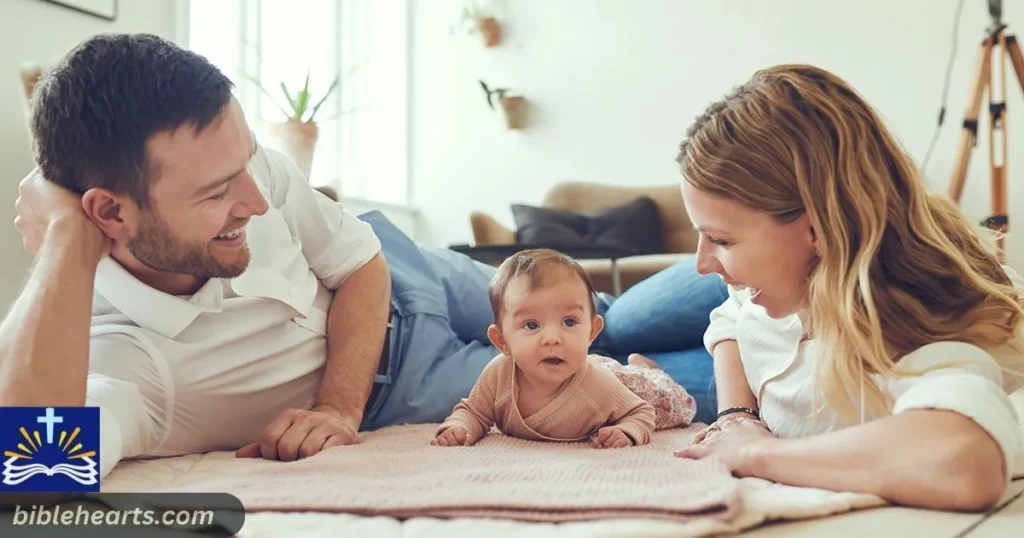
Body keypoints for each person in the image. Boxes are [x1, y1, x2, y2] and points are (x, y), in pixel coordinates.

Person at [0, 33, 727, 478]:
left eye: (250, 164)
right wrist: (66, 239)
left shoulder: (249, 177)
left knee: (607, 316)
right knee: (628, 383)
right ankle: (809, 348)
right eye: (220, 192)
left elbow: (360, 264)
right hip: (407, 381)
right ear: (108, 212)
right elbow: (31, 468)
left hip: (406, 270)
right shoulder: (120, 360)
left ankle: (808, 261)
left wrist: (334, 407)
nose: (258, 199)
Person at [665, 64, 1024, 512]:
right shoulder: (772, 282)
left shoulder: (912, 331)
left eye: (720, 239)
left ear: (818, 228)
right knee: (606, 331)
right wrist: (737, 415)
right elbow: (730, 318)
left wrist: (752, 452)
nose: (699, 263)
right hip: (765, 339)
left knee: (598, 344)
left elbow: (966, 461)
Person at [432, 249, 696, 449]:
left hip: (628, 386)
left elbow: (641, 411)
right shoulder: (498, 374)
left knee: (669, 399)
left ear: (592, 331)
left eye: (569, 322)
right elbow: (474, 412)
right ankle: (639, 363)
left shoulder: (598, 386)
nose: (552, 338)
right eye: (532, 324)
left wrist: (627, 431)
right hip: (601, 372)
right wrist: (459, 426)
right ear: (502, 341)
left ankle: (647, 370)